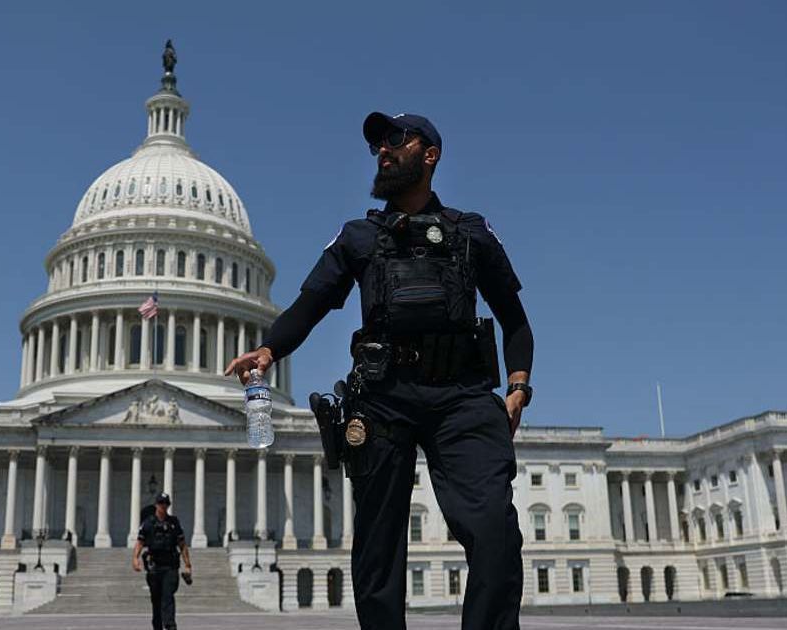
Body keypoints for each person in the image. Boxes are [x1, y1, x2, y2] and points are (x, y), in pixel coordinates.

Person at [226, 112, 533, 630]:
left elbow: (515, 320)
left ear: (429, 153)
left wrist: (519, 387)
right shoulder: (360, 237)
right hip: (384, 394)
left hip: (462, 394)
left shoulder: (471, 233)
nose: (382, 151)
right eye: (376, 145)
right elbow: (312, 302)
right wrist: (269, 351)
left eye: (394, 140)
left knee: (494, 530)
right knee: (377, 546)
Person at [132, 492, 192, 630]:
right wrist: (135, 558)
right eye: (161, 503)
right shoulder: (148, 523)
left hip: (170, 566)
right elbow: (140, 542)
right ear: (156, 505)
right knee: (156, 600)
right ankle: (157, 626)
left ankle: (170, 625)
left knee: (168, 596)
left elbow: (182, 544)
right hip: (154, 567)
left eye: (166, 504)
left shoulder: (174, 523)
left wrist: (188, 565)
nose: (163, 506)